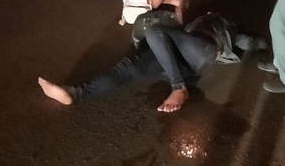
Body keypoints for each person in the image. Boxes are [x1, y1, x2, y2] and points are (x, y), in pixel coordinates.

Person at [38, 14, 267, 112]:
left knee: (155, 32)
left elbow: (245, 41)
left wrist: (262, 45)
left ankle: (179, 88)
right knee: (128, 66)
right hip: (180, 59)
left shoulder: (224, 24)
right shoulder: (216, 23)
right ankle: (74, 93)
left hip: (202, 51)